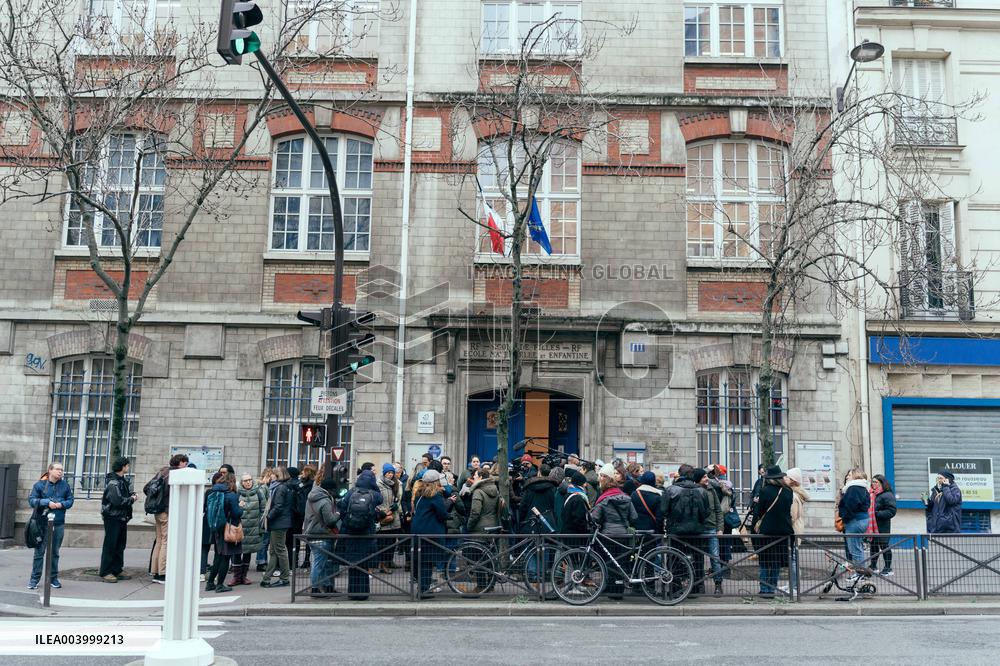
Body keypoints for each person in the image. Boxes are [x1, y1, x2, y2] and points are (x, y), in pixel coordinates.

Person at [662, 465, 710, 596]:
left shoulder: (671, 490)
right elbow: (707, 512)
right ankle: (697, 587)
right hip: (697, 530)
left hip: (676, 530)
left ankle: (675, 588)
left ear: (679, 474)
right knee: (698, 559)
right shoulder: (702, 491)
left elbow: (663, 510)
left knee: (674, 559)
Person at [591, 463, 637, 599]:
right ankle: (619, 591)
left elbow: (595, 518)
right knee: (620, 563)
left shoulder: (604, 499)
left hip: (608, 535)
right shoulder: (626, 497)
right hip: (623, 534)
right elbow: (634, 517)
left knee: (609, 563)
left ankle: (611, 590)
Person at [337, 469, 383, 600]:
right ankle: (363, 593)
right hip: (367, 533)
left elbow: (343, 508)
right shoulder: (374, 494)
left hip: (351, 532)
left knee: (353, 563)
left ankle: (352, 592)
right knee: (364, 563)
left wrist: (348, 522)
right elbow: (381, 501)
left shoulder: (351, 492)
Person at [27, 462, 74, 590]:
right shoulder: (39, 485)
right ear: (50, 470)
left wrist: (60, 505)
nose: (60, 472)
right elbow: (32, 500)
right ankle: (34, 579)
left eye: (62, 470)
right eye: (58, 469)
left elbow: (70, 501)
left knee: (55, 552)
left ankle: (53, 578)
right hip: (41, 524)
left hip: (58, 523)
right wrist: (46, 502)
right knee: (39, 552)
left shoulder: (65, 485)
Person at [144, 453, 188, 583]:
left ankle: (155, 571)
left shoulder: (162, 472)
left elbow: (146, 488)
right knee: (166, 541)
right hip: (166, 511)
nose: (185, 465)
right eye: (185, 463)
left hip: (157, 511)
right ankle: (162, 573)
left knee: (159, 540)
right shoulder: (175, 475)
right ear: (180, 462)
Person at [755, 465, 793, 597]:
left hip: (767, 530)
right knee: (776, 562)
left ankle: (764, 589)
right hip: (784, 530)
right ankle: (771, 588)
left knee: (765, 561)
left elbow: (759, 511)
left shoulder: (765, 491)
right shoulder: (788, 491)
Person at [410, 469, 448, 598]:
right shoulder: (435, 495)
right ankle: (423, 591)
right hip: (430, 533)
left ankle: (422, 588)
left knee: (422, 561)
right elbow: (442, 514)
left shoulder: (420, 493)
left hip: (418, 530)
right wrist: (450, 515)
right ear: (435, 482)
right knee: (427, 562)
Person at [303, 467, 341, 595]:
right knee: (320, 563)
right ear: (330, 489)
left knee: (322, 563)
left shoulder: (312, 497)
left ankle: (325, 586)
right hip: (322, 534)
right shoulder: (325, 501)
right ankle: (316, 589)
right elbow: (330, 520)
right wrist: (338, 513)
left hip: (311, 533)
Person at [99, 457, 136, 583]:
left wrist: (131, 495)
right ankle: (106, 571)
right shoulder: (113, 482)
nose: (128, 468)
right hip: (113, 517)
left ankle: (117, 569)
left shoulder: (121, 480)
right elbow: (117, 501)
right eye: (127, 465)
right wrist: (132, 499)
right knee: (111, 545)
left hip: (121, 517)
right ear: (123, 467)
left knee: (120, 545)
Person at [205, 472, 243, 593]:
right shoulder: (231, 495)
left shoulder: (212, 492)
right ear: (232, 482)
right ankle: (220, 585)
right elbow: (237, 513)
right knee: (226, 557)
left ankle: (210, 583)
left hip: (216, 527)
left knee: (218, 556)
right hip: (228, 528)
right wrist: (241, 506)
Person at [231, 472, 267, 586]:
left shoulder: (259, 492)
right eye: (245, 480)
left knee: (247, 553)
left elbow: (263, 510)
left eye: (249, 480)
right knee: (237, 552)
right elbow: (232, 510)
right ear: (241, 482)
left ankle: (244, 576)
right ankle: (236, 577)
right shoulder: (236, 493)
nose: (248, 482)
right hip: (239, 527)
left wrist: (260, 526)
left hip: (253, 528)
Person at [261, 466, 294, 588]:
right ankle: (267, 578)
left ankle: (284, 577)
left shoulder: (280, 488)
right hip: (280, 522)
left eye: (273, 474)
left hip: (279, 522)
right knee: (274, 550)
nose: (271, 476)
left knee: (279, 550)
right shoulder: (282, 487)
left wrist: (268, 516)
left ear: (278, 475)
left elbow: (278, 506)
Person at [696, 468, 725, 595]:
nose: (707, 479)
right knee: (698, 558)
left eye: (706, 476)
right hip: (699, 529)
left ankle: (718, 584)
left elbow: (719, 510)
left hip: (712, 528)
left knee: (715, 558)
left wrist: (720, 528)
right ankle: (699, 584)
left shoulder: (711, 490)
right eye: (703, 477)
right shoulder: (694, 491)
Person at [839, 468, 871, 568]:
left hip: (855, 521)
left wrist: (845, 518)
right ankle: (860, 572)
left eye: (849, 475)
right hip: (860, 519)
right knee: (857, 547)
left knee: (855, 549)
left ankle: (860, 573)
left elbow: (850, 506)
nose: (847, 477)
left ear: (855, 476)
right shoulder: (862, 488)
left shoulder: (854, 488)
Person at [784, 467, 810, 591]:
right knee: (792, 558)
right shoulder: (795, 493)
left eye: (787, 477)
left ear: (793, 481)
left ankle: (794, 587)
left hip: (793, 530)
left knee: (793, 559)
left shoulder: (793, 495)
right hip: (796, 529)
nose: (784, 478)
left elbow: (792, 516)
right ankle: (792, 585)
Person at [517, 464, 558, 532]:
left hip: (531, 522)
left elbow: (523, 507)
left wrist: (521, 521)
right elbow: (555, 507)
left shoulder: (529, 488)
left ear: (539, 472)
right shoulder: (553, 488)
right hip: (549, 523)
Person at [871, 474, 897, 575]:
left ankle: (888, 568)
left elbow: (892, 511)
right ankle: (873, 566)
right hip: (873, 526)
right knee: (873, 546)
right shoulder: (872, 494)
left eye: (876, 482)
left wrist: (876, 514)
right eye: (872, 482)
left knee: (884, 546)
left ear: (882, 483)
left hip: (882, 525)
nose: (873, 484)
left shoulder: (887, 495)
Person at [466, 468, 500, 533]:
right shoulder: (496, 490)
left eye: (475, 475)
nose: (473, 477)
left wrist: (469, 526)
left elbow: (475, 512)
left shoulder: (478, 492)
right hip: (494, 525)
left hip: (480, 528)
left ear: (480, 477)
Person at [255, 467, 274, 572]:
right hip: (264, 517)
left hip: (260, 516)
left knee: (263, 540)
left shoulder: (260, 486)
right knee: (264, 540)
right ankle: (261, 561)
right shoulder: (265, 487)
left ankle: (261, 561)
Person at [561, 470, 592, 536]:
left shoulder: (568, 494)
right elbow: (579, 519)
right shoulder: (578, 498)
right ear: (580, 484)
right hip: (575, 535)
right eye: (584, 483)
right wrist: (585, 531)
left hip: (567, 532)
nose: (586, 485)